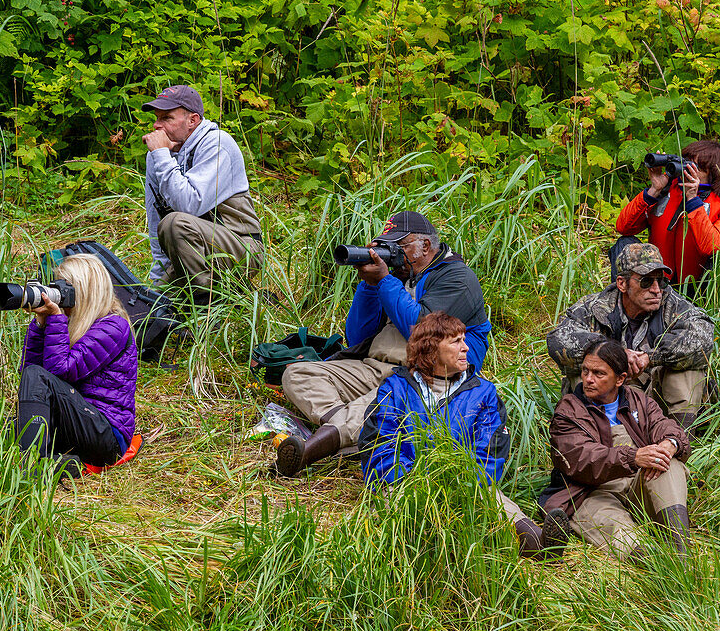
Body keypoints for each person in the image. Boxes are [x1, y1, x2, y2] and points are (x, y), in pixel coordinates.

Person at [275, 211, 492, 477]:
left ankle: (310, 450)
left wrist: (385, 280)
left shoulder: (457, 278)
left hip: (425, 377)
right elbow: (357, 336)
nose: (392, 254)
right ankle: (356, 435)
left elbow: (422, 332)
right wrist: (369, 285)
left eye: (399, 246)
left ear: (425, 246)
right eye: (386, 246)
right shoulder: (396, 278)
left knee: (383, 402)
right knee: (298, 373)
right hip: (374, 366)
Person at [358, 313, 542, 556]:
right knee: (395, 516)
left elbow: (491, 449)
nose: (466, 347)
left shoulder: (483, 392)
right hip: (403, 484)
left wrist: (462, 486)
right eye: (455, 341)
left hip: (466, 484)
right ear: (430, 349)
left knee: (494, 502)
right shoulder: (396, 389)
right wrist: (412, 483)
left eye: (463, 340)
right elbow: (379, 445)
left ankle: (538, 542)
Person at [539, 338, 692, 560]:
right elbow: (582, 459)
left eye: (599, 373)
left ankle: (680, 549)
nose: (588, 379)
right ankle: (654, 563)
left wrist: (670, 443)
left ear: (620, 379)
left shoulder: (638, 400)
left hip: (641, 482)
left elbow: (665, 425)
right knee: (617, 529)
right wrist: (634, 456)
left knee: (669, 463)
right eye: (585, 371)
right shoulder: (569, 409)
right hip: (592, 492)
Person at [547, 242, 714, 435]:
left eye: (660, 281)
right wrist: (614, 356)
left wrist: (650, 357)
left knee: (688, 369)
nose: (656, 289)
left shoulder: (673, 304)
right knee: (586, 369)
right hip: (610, 401)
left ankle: (680, 441)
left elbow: (703, 338)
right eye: (646, 281)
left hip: (657, 402)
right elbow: (558, 340)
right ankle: (595, 440)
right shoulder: (594, 307)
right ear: (622, 284)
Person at [141, 84, 264, 301]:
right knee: (151, 309)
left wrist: (161, 155)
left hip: (242, 246)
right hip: (191, 249)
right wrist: (158, 281)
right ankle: (236, 296)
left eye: (167, 118)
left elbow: (189, 205)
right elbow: (155, 222)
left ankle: (206, 308)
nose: (156, 125)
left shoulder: (218, 144)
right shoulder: (156, 157)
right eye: (156, 117)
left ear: (193, 120)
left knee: (175, 223)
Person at [19, 254, 139, 476]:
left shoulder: (113, 326)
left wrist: (56, 319)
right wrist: (40, 325)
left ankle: (32, 467)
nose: (61, 298)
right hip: (76, 423)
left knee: (37, 377)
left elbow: (59, 372)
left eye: (67, 289)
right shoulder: (72, 325)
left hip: (107, 435)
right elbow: (29, 377)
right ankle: (65, 465)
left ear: (85, 291)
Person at [614, 139, 720, 297]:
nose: (687, 171)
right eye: (686, 163)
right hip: (660, 279)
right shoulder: (669, 190)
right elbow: (623, 227)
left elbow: (713, 246)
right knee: (624, 244)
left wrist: (693, 200)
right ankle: (625, 305)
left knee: (716, 262)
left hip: (700, 287)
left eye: (697, 167)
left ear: (714, 174)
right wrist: (654, 190)